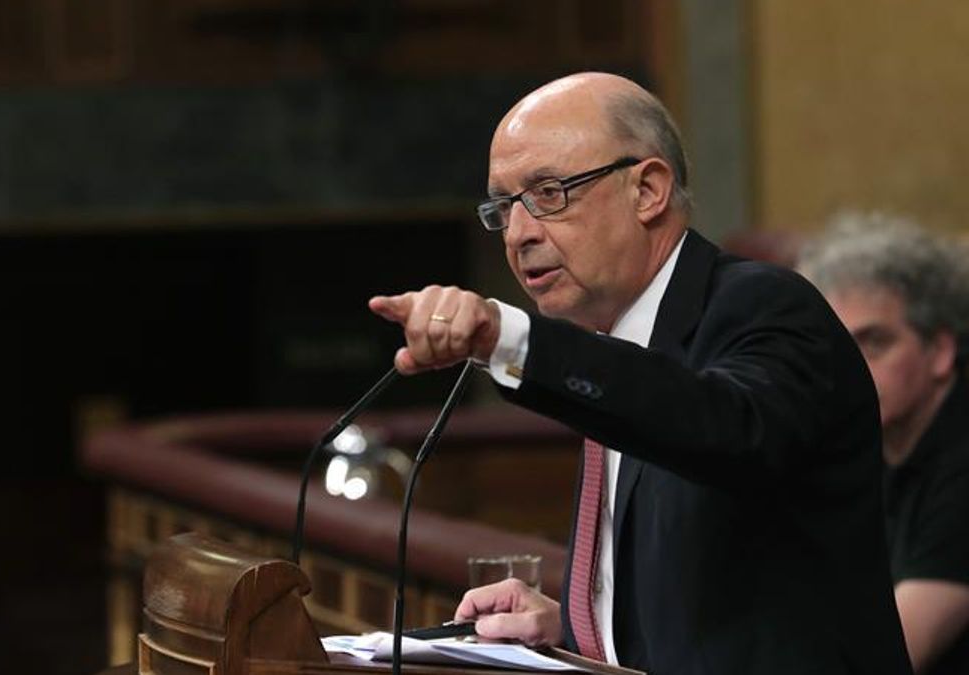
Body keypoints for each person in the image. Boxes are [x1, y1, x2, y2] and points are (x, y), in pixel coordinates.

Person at [368, 73, 911, 674]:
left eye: (549, 194)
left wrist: (508, 337)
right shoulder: (616, 341)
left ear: (648, 189)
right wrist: (581, 623)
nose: (519, 233)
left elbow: (725, 429)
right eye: (504, 207)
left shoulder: (762, 304)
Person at [797, 215, 969, 675]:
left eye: (874, 343)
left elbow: (894, 655)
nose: (849, 368)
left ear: (940, 352)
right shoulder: (853, 443)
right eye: (836, 345)